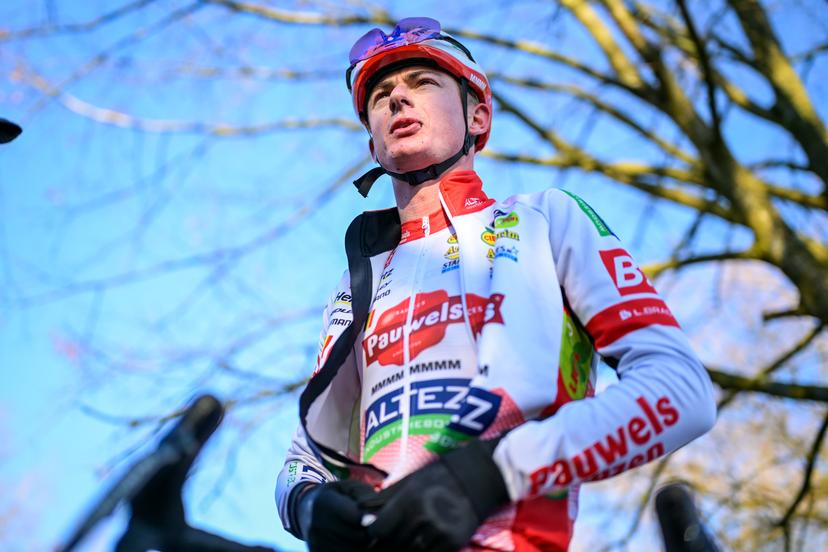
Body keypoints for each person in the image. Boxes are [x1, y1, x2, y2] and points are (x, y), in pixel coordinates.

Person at [275, 17, 716, 552]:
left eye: (422, 82)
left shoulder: (546, 221)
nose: (397, 99)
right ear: (373, 145)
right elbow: (301, 464)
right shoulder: (355, 283)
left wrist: (496, 471)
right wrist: (307, 503)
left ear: (478, 116)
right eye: (381, 95)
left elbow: (681, 391)